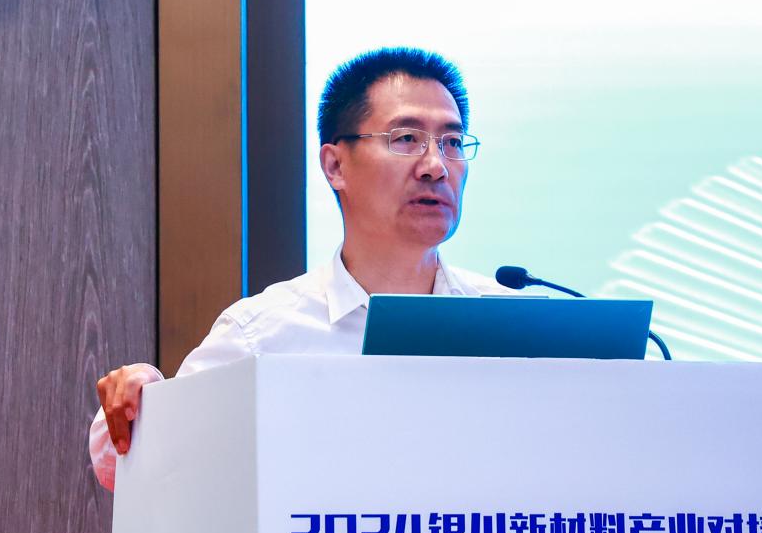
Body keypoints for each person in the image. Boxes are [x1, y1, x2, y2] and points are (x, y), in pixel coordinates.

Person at [89, 47, 510, 491]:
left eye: (452, 142)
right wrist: (142, 397)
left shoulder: (511, 323)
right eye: (406, 139)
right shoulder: (262, 334)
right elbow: (122, 464)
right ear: (335, 165)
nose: (436, 167)